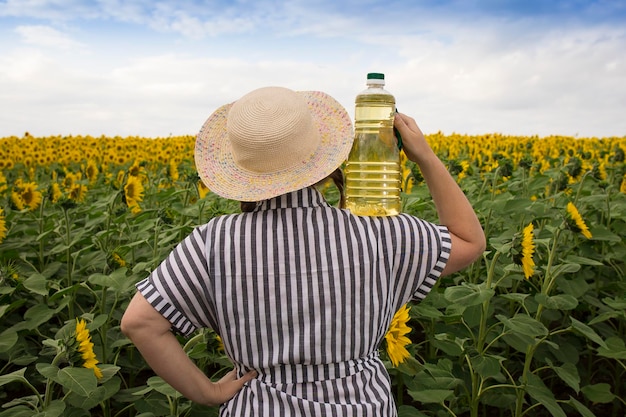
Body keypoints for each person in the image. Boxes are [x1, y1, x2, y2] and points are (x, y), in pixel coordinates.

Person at [121, 86, 486, 416]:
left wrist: (208, 391)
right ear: (325, 163)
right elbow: (469, 241)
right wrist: (423, 155)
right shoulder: (378, 233)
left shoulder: (212, 242)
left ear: (241, 172)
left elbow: (140, 322)